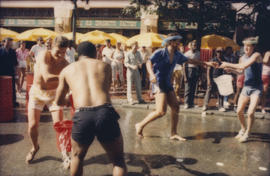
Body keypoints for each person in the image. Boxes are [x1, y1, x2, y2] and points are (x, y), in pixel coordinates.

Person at [55, 41, 127, 176]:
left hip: (82, 114)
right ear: (95, 53)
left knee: (77, 158)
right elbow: (104, 90)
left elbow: (58, 101)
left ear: (78, 54)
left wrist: (69, 100)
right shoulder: (105, 66)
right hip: (104, 111)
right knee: (118, 160)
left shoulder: (66, 70)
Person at [135, 33, 217, 140]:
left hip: (167, 83)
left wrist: (206, 63)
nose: (179, 43)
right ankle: (140, 125)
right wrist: (151, 74)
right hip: (158, 82)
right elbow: (149, 62)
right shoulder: (160, 52)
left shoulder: (177, 54)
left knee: (175, 107)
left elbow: (190, 60)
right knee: (161, 111)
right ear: (171, 42)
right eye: (177, 41)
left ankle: (173, 133)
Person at [25, 36, 70, 167]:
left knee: (59, 126)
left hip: (54, 94)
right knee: (32, 126)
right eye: (58, 52)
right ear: (51, 48)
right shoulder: (44, 55)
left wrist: (68, 93)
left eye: (64, 52)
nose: (61, 55)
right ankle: (35, 147)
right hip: (37, 93)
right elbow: (47, 77)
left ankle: (65, 154)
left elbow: (69, 83)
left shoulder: (65, 64)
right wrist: (65, 76)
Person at [220, 37, 262, 142]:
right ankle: (243, 129)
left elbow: (244, 66)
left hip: (256, 88)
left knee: (251, 112)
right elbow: (241, 72)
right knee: (239, 111)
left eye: (249, 46)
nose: (246, 48)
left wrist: (227, 63)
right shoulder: (242, 57)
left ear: (253, 47)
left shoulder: (256, 55)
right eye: (245, 46)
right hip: (246, 87)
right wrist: (232, 70)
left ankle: (248, 133)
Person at [202, 47, 227, 112]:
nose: (219, 53)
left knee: (221, 92)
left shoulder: (224, 60)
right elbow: (208, 70)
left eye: (221, 52)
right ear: (216, 52)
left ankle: (220, 106)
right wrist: (208, 79)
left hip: (221, 78)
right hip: (213, 77)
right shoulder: (212, 60)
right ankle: (205, 105)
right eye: (218, 51)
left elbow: (226, 70)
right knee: (209, 91)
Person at [0, 37, 19, 107]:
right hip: (2, 72)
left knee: (12, 87)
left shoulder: (13, 51)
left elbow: (15, 64)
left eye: (10, 42)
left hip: (11, 72)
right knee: (1, 88)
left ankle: (13, 101)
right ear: (4, 42)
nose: (9, 43)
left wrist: (16, 74)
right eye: (8, 42)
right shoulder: (0, 50)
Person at [183, 40, 200, 109]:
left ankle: (191, 103)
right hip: (189, 70)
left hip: (195, 70)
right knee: (188, 88)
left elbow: (198, 63)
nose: (194, 47)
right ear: (190, 46)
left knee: (193, 88)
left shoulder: (198, 53)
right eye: (193, 45)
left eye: (196, 45)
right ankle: (186, 103)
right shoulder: (187, 54)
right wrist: (185, 76)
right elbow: (184, 65)